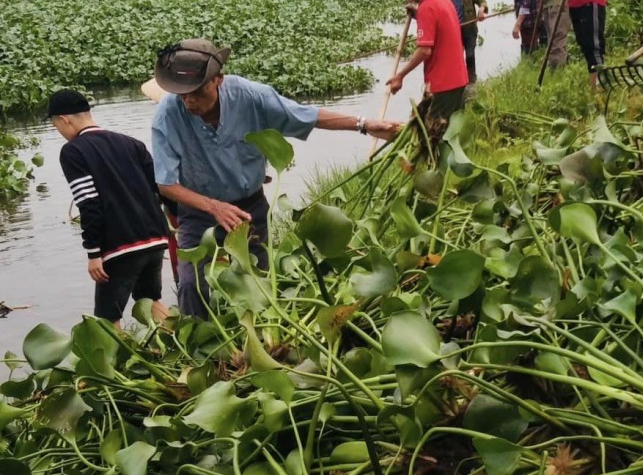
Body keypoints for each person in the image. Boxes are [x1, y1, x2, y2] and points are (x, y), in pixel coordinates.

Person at [151, 39, 400, 316]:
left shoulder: (251, 96)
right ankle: (196, 344)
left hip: (249, 208)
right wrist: (214, 207)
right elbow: (165, 183)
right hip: (198, 211)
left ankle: (262, 340)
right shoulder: (168, 113)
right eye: (182, 94)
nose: (189, 101)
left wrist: (365, 125)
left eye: (196, 92)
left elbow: (306, 116)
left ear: (218, 79)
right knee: (190, 285)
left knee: (262, 280)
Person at [48, 88, 170, 326]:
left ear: (64, 119)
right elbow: (160, 188)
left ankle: (116, 363)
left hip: (120, 246)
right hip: (155, 238)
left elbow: (89, 204)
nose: (60, 132)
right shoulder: (131, 143)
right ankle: (184, 345)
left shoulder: (73, 151)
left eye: (56, 126)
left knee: (107, 318)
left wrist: (93, 253)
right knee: (150, 300)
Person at [386, 0, 467, 133]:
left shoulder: (427, 7)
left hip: (444, 83)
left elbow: (424, 50)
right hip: (457, 79)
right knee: (449, 133)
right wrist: (417, 15)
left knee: (434, 137)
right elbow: (437, 26)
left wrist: (400, 75)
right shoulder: (442, 0)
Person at [436, 0, 488, 83]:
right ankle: (459, 81)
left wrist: (481, 10)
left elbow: (482, 1)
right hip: (454, 32)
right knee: (456, 58)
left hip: (469, 30)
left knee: (470, 55)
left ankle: (472, 79)